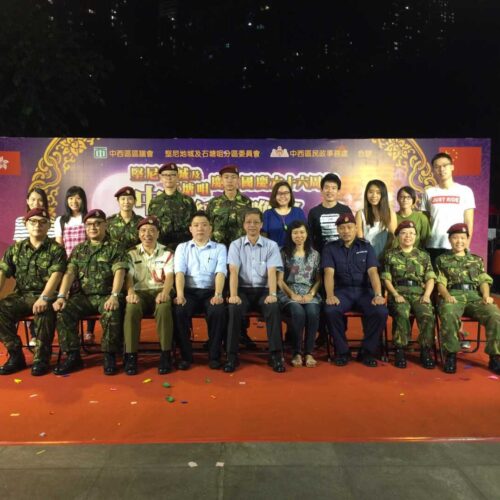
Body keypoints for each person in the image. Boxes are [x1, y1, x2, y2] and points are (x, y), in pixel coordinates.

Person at [53, 209, 128, 375]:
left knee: (111, 311)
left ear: (105, 225)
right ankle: (73, 356)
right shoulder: (79, 250)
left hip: (107, 295)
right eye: (89, 224)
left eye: (97, 223)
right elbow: (70, 273)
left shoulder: (115, 247)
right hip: (84, 297)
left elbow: (120, 272)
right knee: (63, 310)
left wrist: (115, 295)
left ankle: (109, 355)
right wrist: (61, 296)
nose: (93, 227)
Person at [0, 208, 66, 376]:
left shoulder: (56, 249)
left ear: (48, 226)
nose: (38, 225)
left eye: (42, 222)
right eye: (33, 222)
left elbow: (57, 275)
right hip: (22, 296)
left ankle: (41, 359)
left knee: (45, 309)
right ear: (26, 224)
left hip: (46, 295)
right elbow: (3, 272)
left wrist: (44, 297)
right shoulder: (16, 249)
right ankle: (16, 355)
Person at [323, 212, 388, 367]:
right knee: (331, 310)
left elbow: (373, 272)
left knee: (381, 311)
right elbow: (328, 273)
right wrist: (330, 295)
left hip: (364, 291)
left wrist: (378, 294)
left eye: (349, 227)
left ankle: (367, 351)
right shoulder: (330, 248)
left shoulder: (366, 246)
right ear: (337, 230)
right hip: (342, 292)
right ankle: (342, 351)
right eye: (342, 228)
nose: (346, 231)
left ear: (356, 228)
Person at [225, 208, 285, 373]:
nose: (252, 225)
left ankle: (275, 355)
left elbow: (272, 271)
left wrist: (273, 294)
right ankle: (231, 355)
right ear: (244, 225)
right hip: (243, 290)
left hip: (264, 290)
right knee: (234, 307)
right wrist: (234, 295)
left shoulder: (271, 245)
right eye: (249, 222)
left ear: (261, 224)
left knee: (273, 307)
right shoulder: (235, 245)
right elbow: (233, 271)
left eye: (256, 222)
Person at [435, 223, 500, 374]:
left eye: (462, 238)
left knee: (494, 314)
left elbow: (483, 280)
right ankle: (450, 355)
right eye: (455, 238)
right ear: (450, 240)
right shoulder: (442, 260)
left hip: (474, 297)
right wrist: (446, 296)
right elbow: (440, 282)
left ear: (467, 239)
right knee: (448, 312)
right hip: (454, 296)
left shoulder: (476, 260)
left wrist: (486, 296)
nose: (459, 241)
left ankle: (495, 356)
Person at [174, 211, 227, 369]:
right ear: (190, 229)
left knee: (217, 311)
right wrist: (180, 295)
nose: (200, 228)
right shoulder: (182, 248)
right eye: (196, 225)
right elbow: (179, 273)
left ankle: (214, 356)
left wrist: (218, 294)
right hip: (189, 291)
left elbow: (220, 273)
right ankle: (186, 356)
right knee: (179, 310)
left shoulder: (219, 248)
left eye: (204, 225)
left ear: (210, 228)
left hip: (211, 291)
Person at [123, 216, 174, 375]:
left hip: (160, 290)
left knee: (164, 307)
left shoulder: (167, 252)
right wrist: (130, 293)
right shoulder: (131, 253)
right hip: (140, 293)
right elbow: (129, 277)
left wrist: (165, 293)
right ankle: (131, 355)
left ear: (158, 233)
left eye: (152, 231)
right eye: (143, 231)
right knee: (131, 308)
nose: (148, 234)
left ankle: (166, 354)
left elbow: (170, 276)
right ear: (139, 234)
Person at [382, 220, 436, 369]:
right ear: (398, 236)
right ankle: (400, 349)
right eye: (404, 233)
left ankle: (425, 350)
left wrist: (426, 295)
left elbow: (430, 278)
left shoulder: (423, 256)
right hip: (398, 292)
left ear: (416, 236)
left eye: (412, 233)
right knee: (401, 312)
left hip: (419, 293)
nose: (408, 236)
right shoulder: (390, 255)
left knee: (427, 314)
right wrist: (394, 294)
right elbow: (386, 278)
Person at [12, 187, 56, 347]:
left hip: (46, 269)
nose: (36, 203)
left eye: (40, 200)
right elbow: (17, 248)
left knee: (44, 301)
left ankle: (41, 339)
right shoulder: (20, 221)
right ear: (27, 202)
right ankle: (31, 336)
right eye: (33, 200)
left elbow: (52, 245)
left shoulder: (50, 220)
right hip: (26, 267)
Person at [54, 185, 96, 343]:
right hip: (69, 265)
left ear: (83, 200)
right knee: (72, 298)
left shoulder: (88, 217)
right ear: (66, 200)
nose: (74, 201)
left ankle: (89, 331)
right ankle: (74, 333)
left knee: (89, 294)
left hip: (88, 263)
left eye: (78, 198)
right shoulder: (61, 220)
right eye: (71, 198)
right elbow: (59, 245)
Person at [278, 221, 321, 367]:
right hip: (288, 292)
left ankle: (308, 353)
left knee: (313, 311)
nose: (299, 236)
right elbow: (279, 280)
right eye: (295, 233)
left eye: (302, 232)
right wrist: (292, 295)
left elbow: (318, 280)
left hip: (309, 292)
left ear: (307, 234)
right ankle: (296, 352)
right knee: (298, 312)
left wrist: (311, 293)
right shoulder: (283, 253)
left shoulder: (315, 255)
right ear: (290, 235)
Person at [422, 152, 475, 266]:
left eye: (445, 165)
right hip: (432, 246)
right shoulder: (429, 192)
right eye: (437, 167)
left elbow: (469, 222)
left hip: (456, 246)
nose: (441, 169)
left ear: (452, 167)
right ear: (433, 170)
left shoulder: (465, 191)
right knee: (434, 282)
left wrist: (465, 247)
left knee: (455, 283)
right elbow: (424, 223)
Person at [148, 162, 197, 250]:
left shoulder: (187, 201)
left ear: (177, 177)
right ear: (160, 178)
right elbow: (151, 227)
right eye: (165, 175)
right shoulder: (154, 202)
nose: (169, 178)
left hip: (184, 247)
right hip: (161, 248)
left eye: (172, 175)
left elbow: (194, 226)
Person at [206, 164, 252, 248]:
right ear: (221, 180)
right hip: (218, 248)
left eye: (233, 177)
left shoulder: (246, 202)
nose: (230, 181)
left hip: (240, 248)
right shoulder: (213, 203)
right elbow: (208, 227)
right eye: (226, 177)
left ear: (238, 180)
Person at [307, 173, 352, 254]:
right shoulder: (314, 212)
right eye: (326, 187)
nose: (330, 191)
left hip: (343, 255)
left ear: (338, 191)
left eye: (333, 188)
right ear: (321, 190)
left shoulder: (345, 210)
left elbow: (351, 234)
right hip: (321, 257)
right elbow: (309, 237)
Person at [356, 179, 397, 261]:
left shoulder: (390, 213)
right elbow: (360, 239)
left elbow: (393, 237)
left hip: (386, 256)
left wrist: (384, 255)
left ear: (383, 195)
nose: (374, 195)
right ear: (366, 194)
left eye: (378, 193)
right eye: (370, 192)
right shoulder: (360, 214)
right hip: (366, 257)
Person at [263, 181, 306, 248]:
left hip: (295, 253)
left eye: (286, 193)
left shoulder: (298, 212)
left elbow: (306, 235)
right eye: (279, 193)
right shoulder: (268, 214)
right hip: (273, 254)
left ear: (290, 195)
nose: (282, 196)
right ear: (274, 195)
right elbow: (263, 238)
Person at [393, 186, 431, 250]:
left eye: (408, 197)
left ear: (413, 200)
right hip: (395, 256)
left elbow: (425, 240)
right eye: (402, 197)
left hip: (416, 256)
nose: (405, 200)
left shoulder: (421, 218)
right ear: (397, 199)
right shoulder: (392, 217)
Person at [106, 186, 142, 252]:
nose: (126, 202)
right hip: (115, 260)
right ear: (118, 201)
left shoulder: (141, 222)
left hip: (136, 259)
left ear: (135, 201)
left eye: (130, 199)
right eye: (123, 199)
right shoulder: (109, 221)